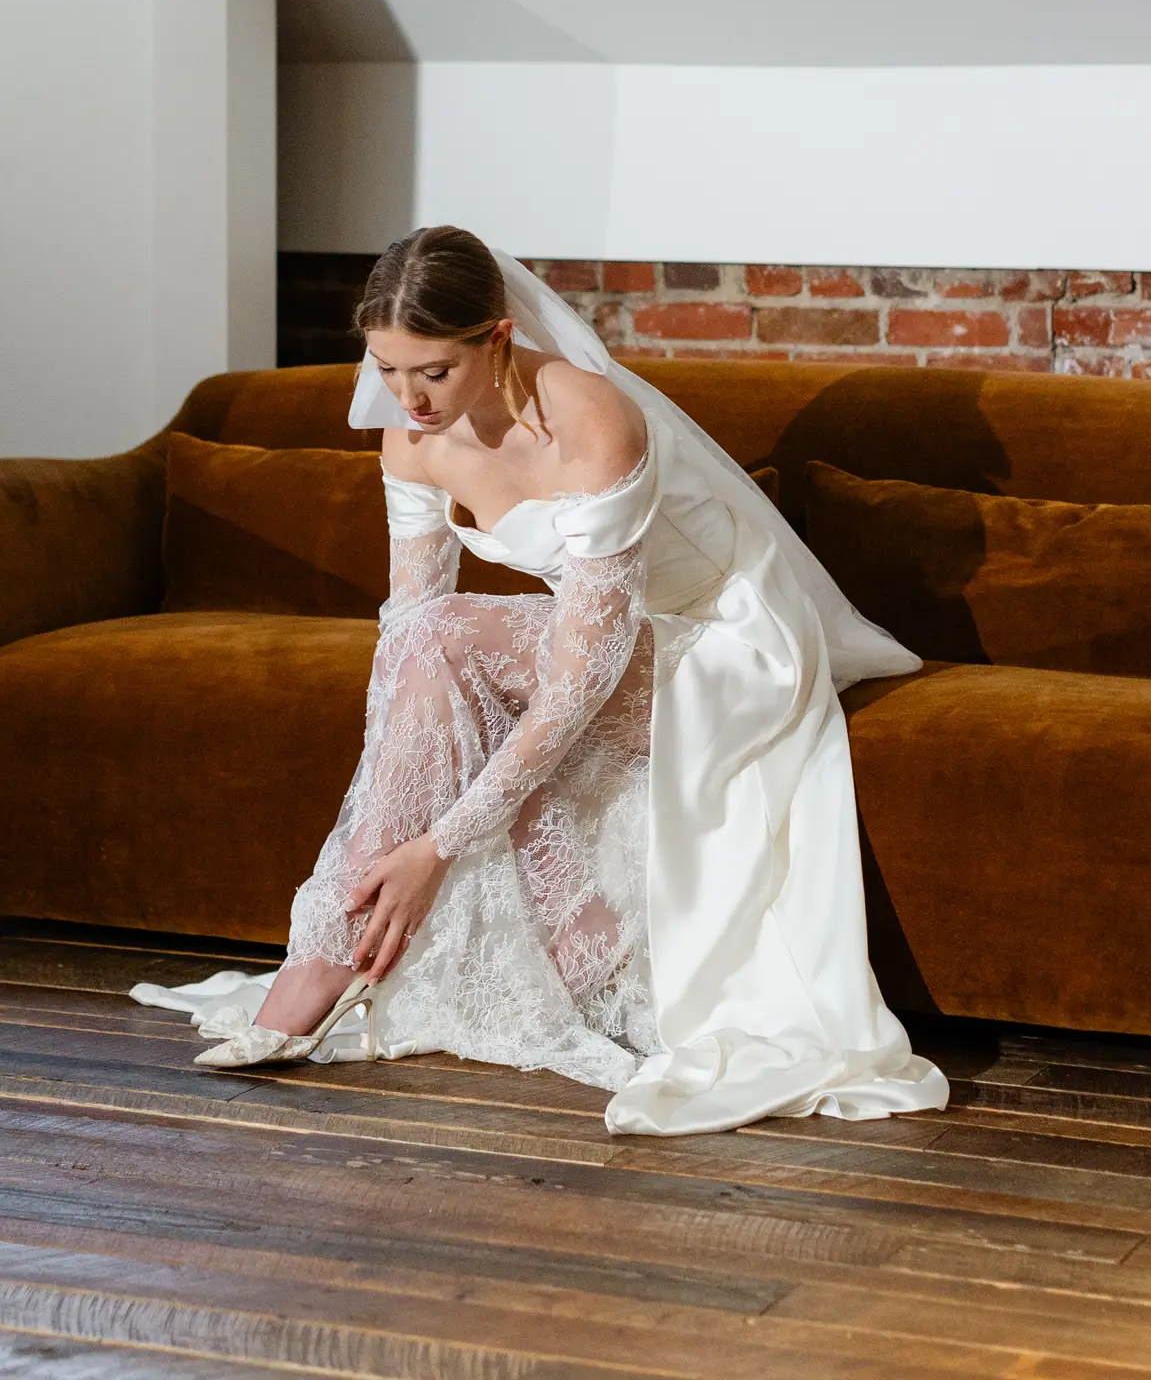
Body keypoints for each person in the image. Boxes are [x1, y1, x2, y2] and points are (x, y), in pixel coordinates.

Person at [136, 227, 945, 1134]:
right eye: (385, 369)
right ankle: (472, 933)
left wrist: (436, 848)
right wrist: (385, 824)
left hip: (724, 648)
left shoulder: (592, 421)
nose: (405, 399)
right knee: (429, 650)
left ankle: (327, 963)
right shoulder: (410, 441)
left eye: (432, 372)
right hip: (607, 646)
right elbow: (405, 639)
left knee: (453, 645)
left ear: (497, 338)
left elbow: (585, 668)